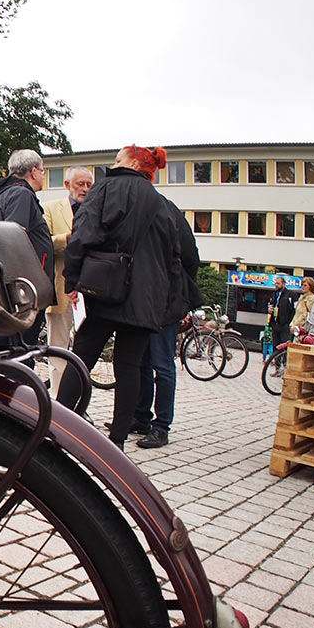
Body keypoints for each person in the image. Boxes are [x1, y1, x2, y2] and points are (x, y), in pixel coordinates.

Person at [56, 145, 178, 448]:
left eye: (118, 159)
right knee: (130, 367)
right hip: (146, 299)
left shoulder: (108, 188)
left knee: (81, 358)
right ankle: (118, 441)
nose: (114, 164)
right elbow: (178, 255)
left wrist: (72, 278)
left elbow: (83, 233)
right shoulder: (163, 204)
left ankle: (57, 426)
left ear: (134, 163)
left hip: (106, 288)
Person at [133, 194, 201, 449]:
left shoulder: (166, 210)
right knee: (142, 361)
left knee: (161, 364)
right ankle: (140, 416)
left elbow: (190, 257)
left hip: (165, 300)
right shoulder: (144, 208)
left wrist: (181, 295)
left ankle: (161, 427)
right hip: (146, 299)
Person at [0, 149, 53, 347]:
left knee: (10, 346)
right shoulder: (21, 194)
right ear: (33, 171)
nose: (43, 175)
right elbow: (15, 236)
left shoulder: (6, 194)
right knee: (20, 348)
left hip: (17, 287)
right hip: (25, 289)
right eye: (43, 171)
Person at [42, 166, 93, 395]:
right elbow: (44, 243)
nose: (84, 189)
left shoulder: (97, 211)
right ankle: (57, 400)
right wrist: (69, 239)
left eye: (88, 184)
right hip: (62, 290)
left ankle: (78, 399)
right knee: (57, 348)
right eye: (80, 184)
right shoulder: (51, 209)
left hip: (91, 291)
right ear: (67, 185)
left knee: (85, 351)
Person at [289, 276, 314, 340]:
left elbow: (306, 315)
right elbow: (297, 314)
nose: (303, 287)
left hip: (302, 329)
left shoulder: (311, 298)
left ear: (310, 287)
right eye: (302, 285)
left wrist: (297, 326)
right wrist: (292, 325)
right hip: (296, 329)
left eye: (305, 285)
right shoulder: (302, 298)